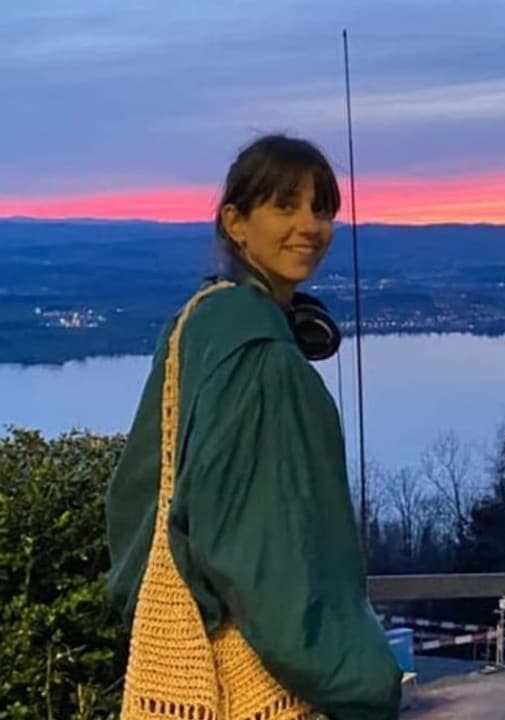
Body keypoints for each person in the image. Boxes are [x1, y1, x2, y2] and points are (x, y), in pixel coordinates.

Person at [106, 133, 401, 719]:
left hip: (190, 651)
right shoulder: (263, 357)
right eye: (285, 206)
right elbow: (269, 550)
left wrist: (167, 606)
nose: (311, 226)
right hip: (267, 673)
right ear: (235, 223)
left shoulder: (198, 322)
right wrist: (363, 680)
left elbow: (136, 493)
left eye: (322, 209)